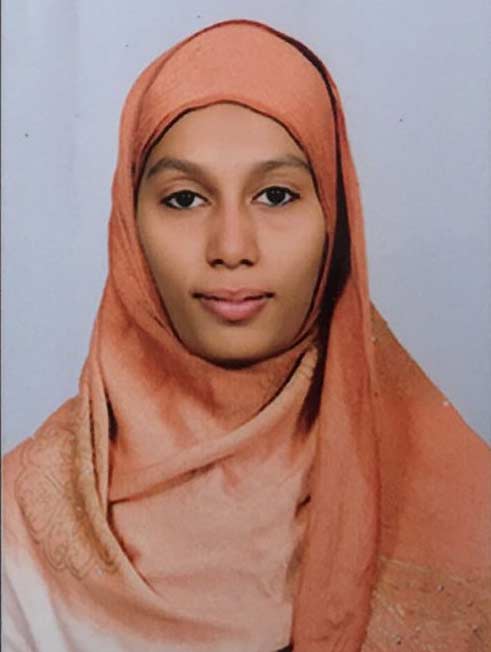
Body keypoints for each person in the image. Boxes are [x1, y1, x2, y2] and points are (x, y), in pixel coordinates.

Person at [3, 18, 490, 652]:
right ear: (129, 227)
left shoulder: (463, 503)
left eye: (277, 195)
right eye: (184, 199)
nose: (232, 247)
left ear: (334, 219)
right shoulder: (19, 520)